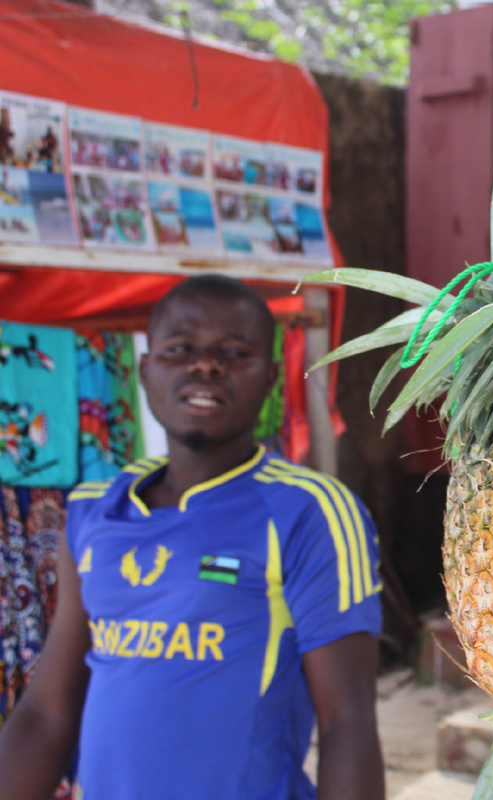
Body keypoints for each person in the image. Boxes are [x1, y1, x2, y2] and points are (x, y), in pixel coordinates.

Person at [0, 274, 386, 800]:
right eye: (180, 349)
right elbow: (47, 712)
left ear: (271, 378)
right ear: (144, 370)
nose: (206, 365)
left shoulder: (309, 511)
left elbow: (347, 721)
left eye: (235, 352)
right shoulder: (93, 510)